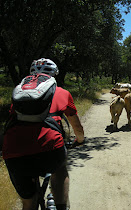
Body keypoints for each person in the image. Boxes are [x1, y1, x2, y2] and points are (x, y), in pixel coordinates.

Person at [2, 58, 84, 210]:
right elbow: (76, 125)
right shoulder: (62, 93)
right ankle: (60, 206)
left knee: (28, 203)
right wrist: (80, 140)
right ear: (55, 74)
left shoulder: (19, 93)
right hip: (50, 147)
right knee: (59, 169)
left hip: (13, 150)